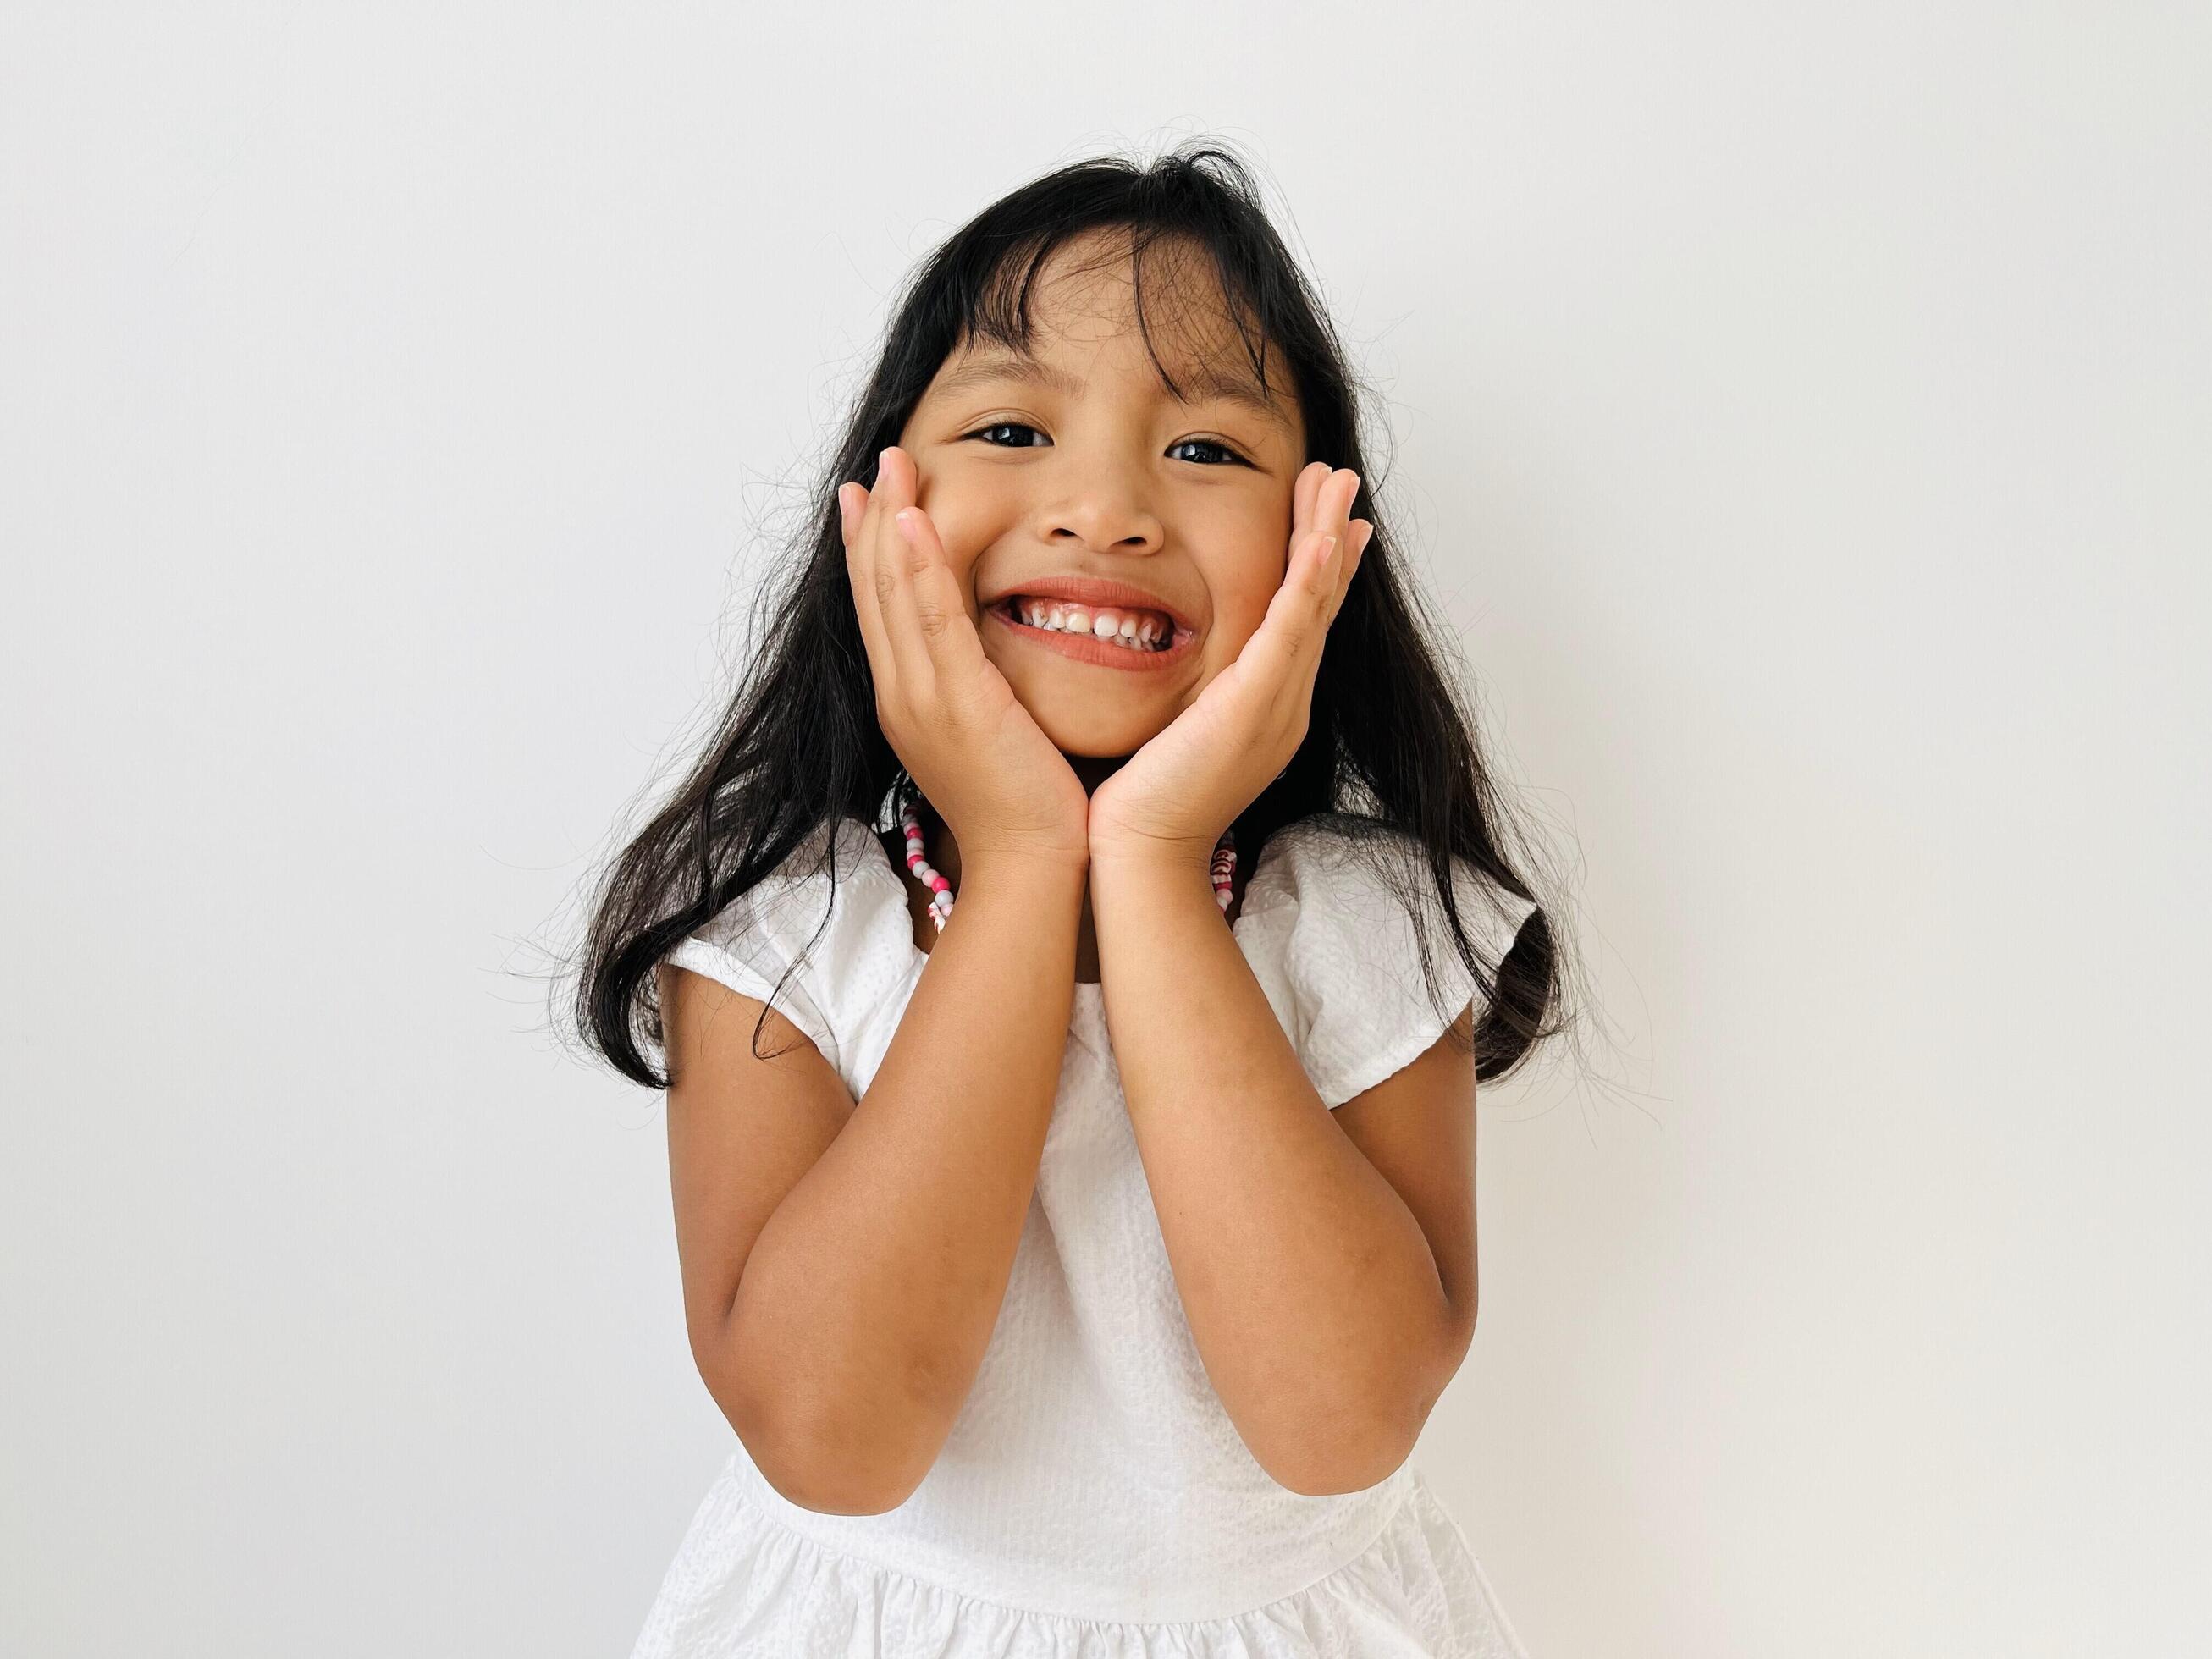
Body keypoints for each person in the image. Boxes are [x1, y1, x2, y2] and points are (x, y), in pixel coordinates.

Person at [574, 141, 1564, 1657]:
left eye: (1206, 451)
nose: (1103, 509)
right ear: (878, 500)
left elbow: (1340, 1424)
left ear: (1322, 540)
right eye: (1014, 425)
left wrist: (1155, 863)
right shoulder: (780, 929)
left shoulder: (1367, 926)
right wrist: (1027, 859)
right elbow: (835, 1442)